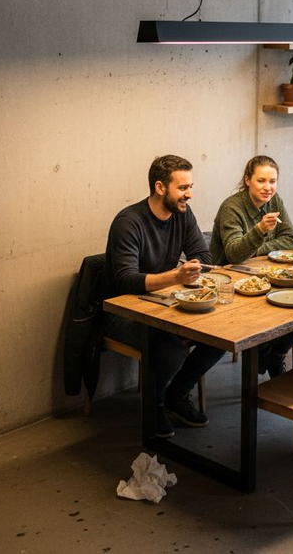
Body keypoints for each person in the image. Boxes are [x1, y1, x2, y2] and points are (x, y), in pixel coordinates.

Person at [102, 155, 226, 439]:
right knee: (170, 349)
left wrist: (191, 269)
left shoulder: (183, 213)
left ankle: (176, 394)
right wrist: (176, 276)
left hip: (166, 302)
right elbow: (125, 280)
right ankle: (154, 406)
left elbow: (204, 256)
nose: (189, 194)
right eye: (183, 188)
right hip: (123, 311)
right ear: (160, 187)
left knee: (219, 337)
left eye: (190, 186)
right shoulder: (128, 222)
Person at [210, 155, 293, 377]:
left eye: (273, 181)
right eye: (261, 181)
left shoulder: (275, 200)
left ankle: (273, 354)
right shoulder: (232, 207)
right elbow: (233, 254)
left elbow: (290, 239)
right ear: (248, 179)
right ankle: (266, 354)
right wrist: (260, 231)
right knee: (279, 312)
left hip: (262, 276)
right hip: (229, 283)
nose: (268, 188)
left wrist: (257, 247)